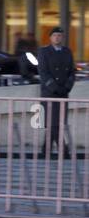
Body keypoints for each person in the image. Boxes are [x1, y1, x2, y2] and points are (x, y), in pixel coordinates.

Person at [38, 26, 76, 155]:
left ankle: (45, 150)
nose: (57, 38)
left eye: (59, 35)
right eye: (55, 35)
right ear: (50, 38)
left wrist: (67, 87)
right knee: (53, 123)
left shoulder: (67, 52)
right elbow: (43, 72)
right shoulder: (44, 52)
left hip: (63, 92)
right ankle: (63, 150)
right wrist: (55, 88)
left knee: (57, 122)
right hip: (50, 93)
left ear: (62, 38)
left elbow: (72, 72)